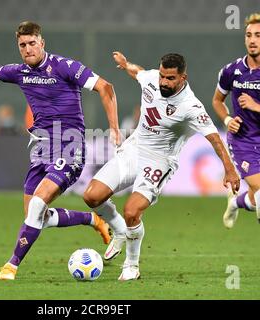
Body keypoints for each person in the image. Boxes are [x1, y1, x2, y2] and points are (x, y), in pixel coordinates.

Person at [0, 21, 122, 279]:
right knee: (35, 216)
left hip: (70, 147)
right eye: (22, 45)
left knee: (37, 205)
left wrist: (114, 128)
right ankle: (92, 220)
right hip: (41, 150)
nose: (27, 49)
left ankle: (11, 265)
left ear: (42, 43)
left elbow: (106, 87)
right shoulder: (19, 72)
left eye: (31, 43)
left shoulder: (64, 66)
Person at [81, 51, 240, 281]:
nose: (164, 82)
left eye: (170, 79)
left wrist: (230, 169)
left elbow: (215, 138)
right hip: (134, 148)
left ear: (182, 78)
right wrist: (126, 64)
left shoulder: (190, 106)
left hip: (159, 159)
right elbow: (139, 73)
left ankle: (132, 265)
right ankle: (119, 230)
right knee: (91, 196)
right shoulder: (152, 78)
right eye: (162, 76)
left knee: (132, 211)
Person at [213, 13, 260, 229]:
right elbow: (217, 101)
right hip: (243, 142)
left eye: (258, 35)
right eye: (249, 35)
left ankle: (236, 202)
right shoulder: (232, 71)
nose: (252, 40)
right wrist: (227, 119)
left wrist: (255, 106)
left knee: (254, 198)